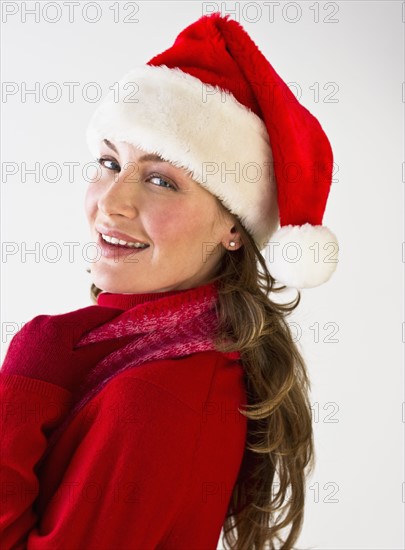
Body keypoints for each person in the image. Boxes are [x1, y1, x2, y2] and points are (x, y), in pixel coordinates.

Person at [0, 12, 338, 550]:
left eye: (161, 180)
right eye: (109, 162)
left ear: (233, 225)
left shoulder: (156, 397)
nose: (111, 203)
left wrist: (22, 392)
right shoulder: (178, 360)